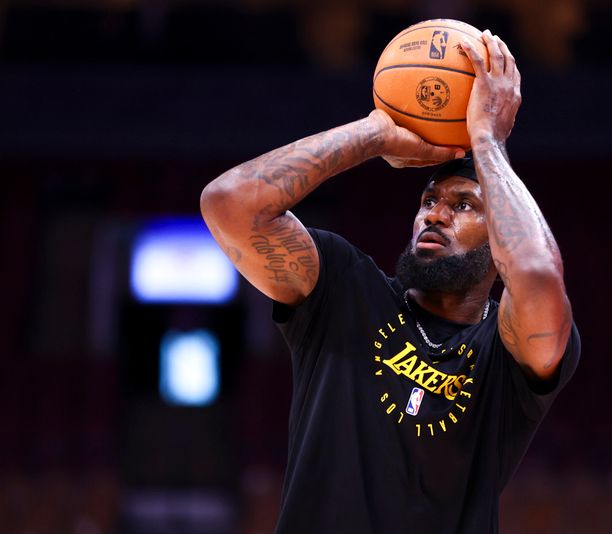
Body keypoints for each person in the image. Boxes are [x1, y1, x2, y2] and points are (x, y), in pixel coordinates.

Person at [201, 29, 579, 534]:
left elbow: (534, 271)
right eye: (428, 202)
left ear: (501, 238)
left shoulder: (505, 349)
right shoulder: (344, 288)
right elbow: (227, 203)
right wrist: (374, 133)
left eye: (464, 205)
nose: (435, 216)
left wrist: (487, 140)